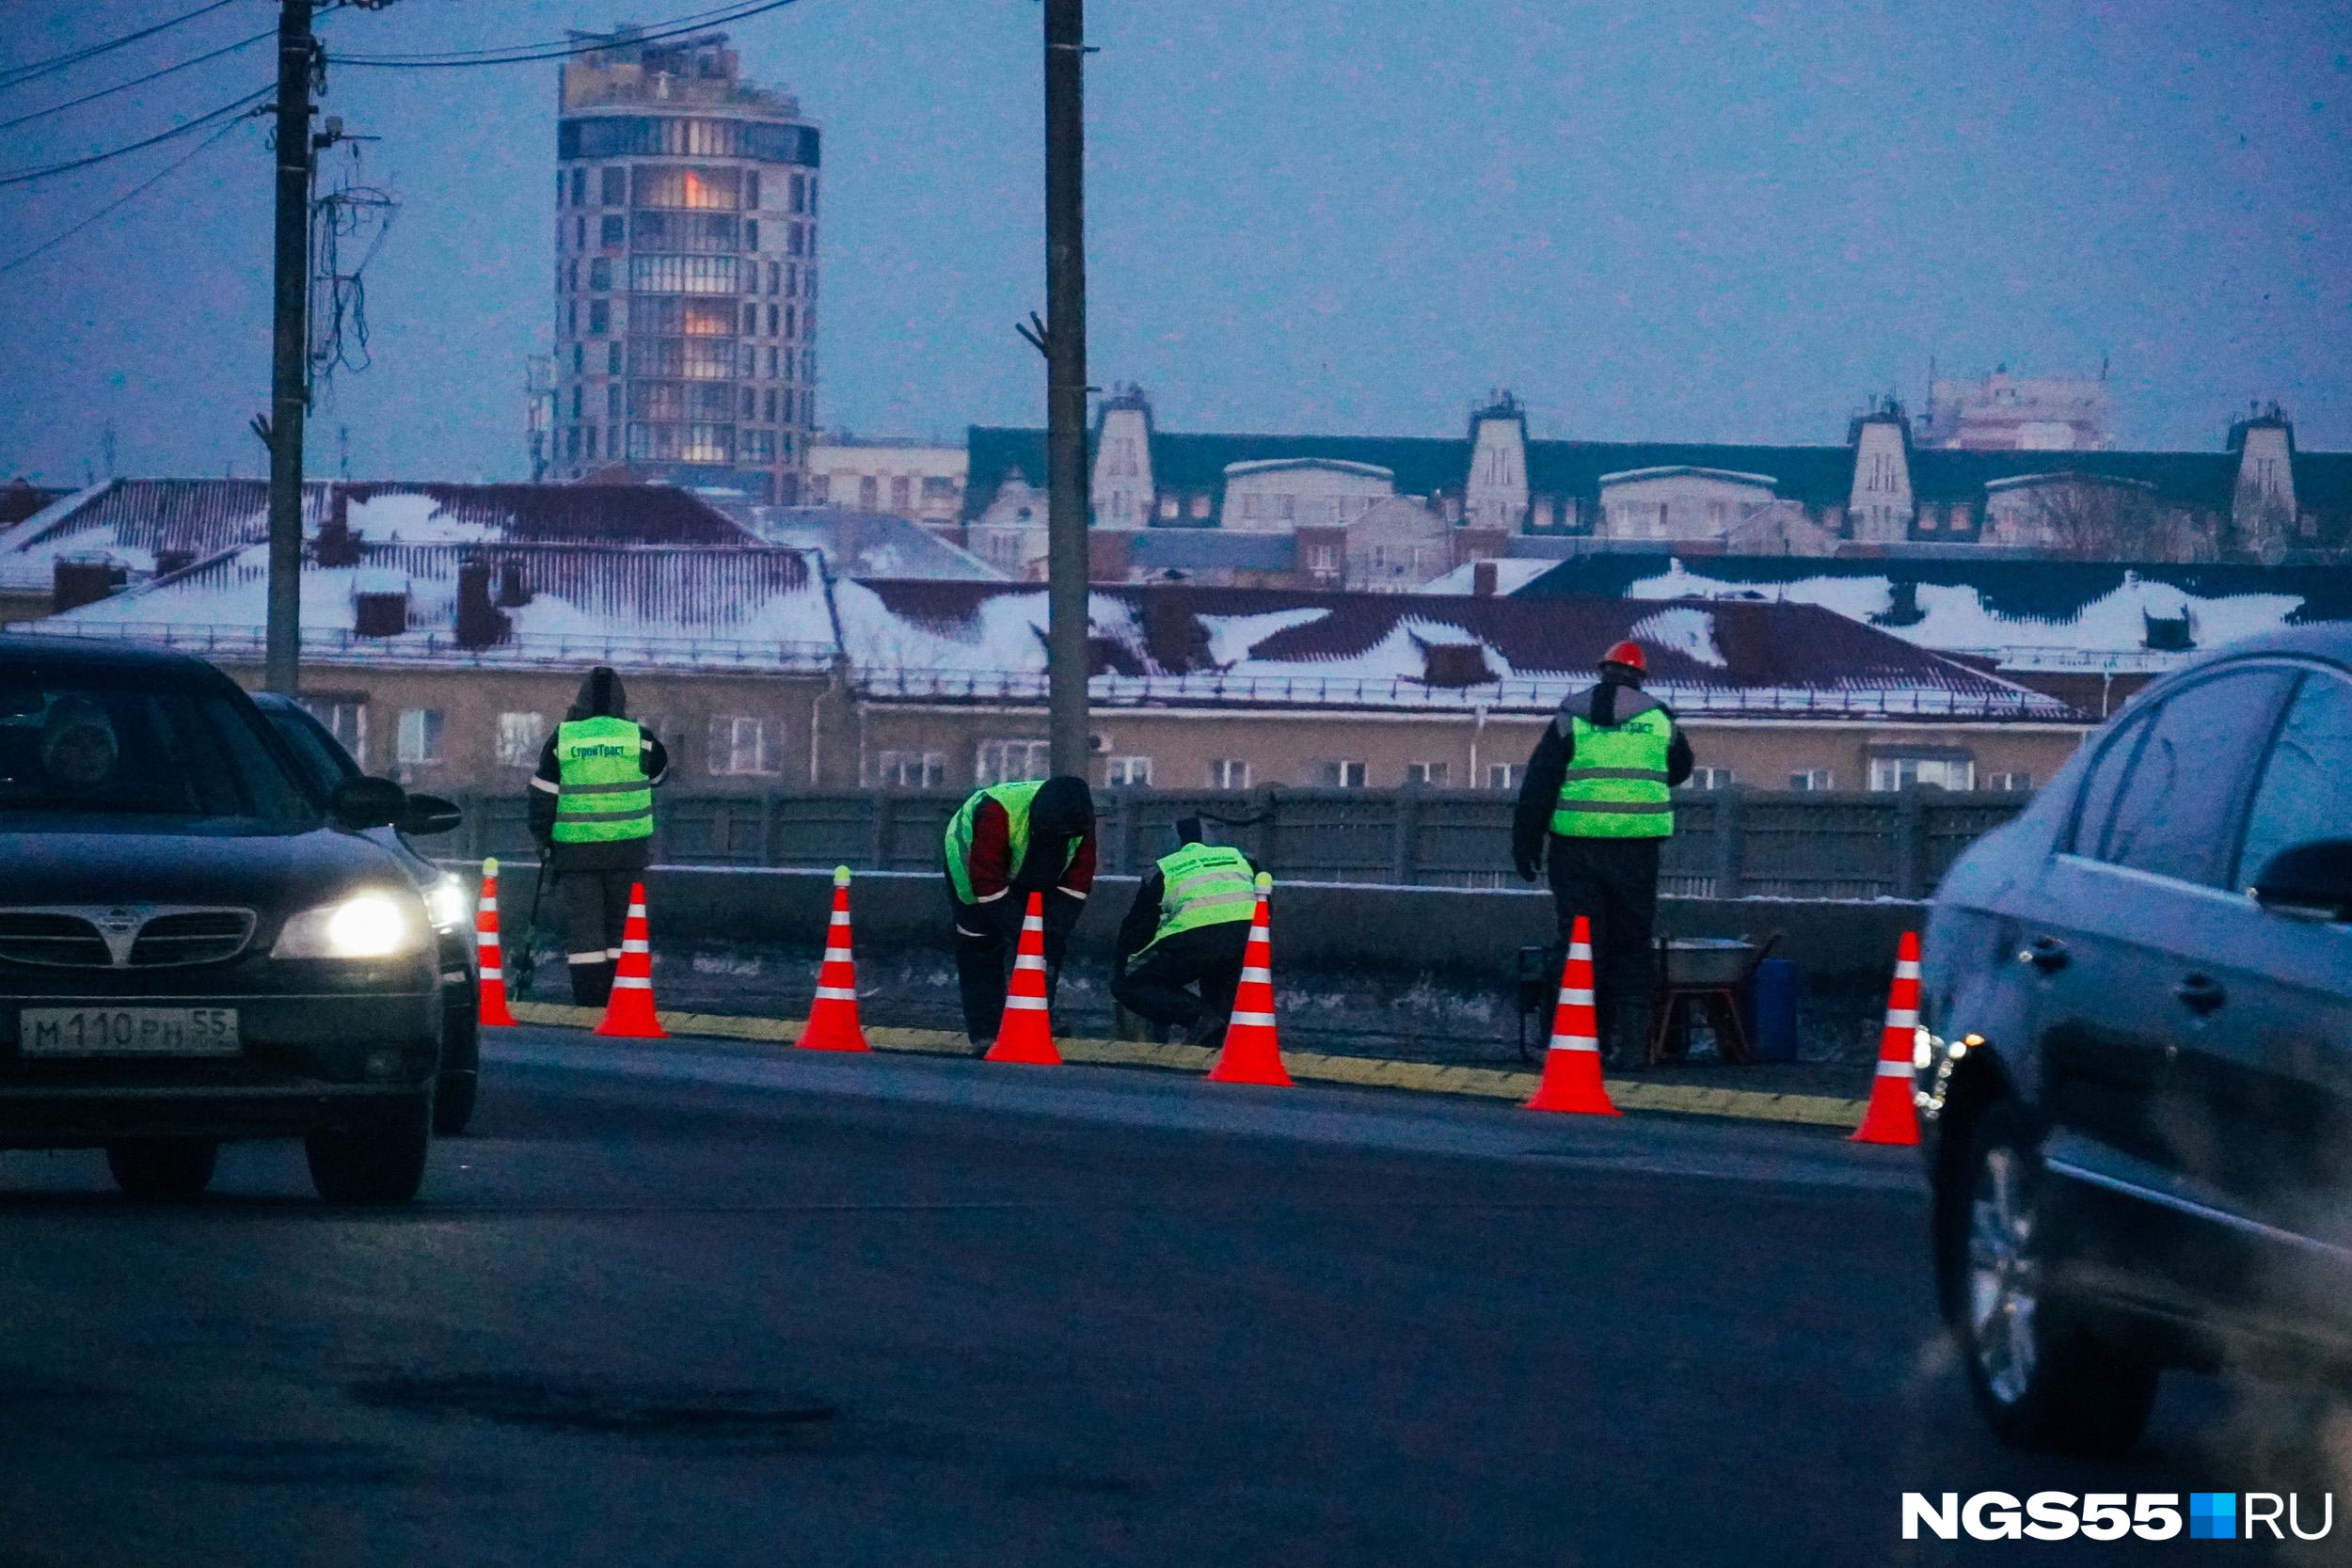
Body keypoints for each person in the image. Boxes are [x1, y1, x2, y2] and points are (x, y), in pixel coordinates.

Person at [1511, 639, 1694, 1063]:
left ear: (1603, 670)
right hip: (1636, 850)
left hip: (1575, 850)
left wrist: (1526, 842)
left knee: (1577, 944)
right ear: (1640, 676)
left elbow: (1539, 783)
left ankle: (1565, 1045)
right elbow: (1681, 768)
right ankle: (1631, 1048)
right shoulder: (1660, 719)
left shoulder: (1570, 716)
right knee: (1631, 946)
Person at [528, 667, 670, 1006]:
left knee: (586, 931)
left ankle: (591, 1002)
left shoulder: (564, 738)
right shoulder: (640, 738)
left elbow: (542, 796)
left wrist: (543, 840)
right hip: (627, 854)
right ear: (621, 700)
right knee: (622, 928)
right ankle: (623, 998)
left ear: (581, 699)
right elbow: (660, 775)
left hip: (576, 855)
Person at [942, 774, 1097, 1050]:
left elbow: (1076, 884)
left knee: (1049, 943)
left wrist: (1049, 935)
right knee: (979, 943)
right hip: (971, 864)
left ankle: (1038, 1013)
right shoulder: (997, 812)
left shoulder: (1080, 822)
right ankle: (986, 1031)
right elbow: (988, 885)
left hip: (1030, 865)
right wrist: (1024, 934)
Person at [1111, 817, 1259, 1046]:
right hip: (1245, 937)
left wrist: (1124, 965)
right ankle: (1220, 1042)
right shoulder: (1240, 858)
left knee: (1132, 986)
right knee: (1220, 996)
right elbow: (1264, 897)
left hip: (1194, 940)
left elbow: (1138, 928)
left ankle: (1200, 1019)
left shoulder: (1167, 868)